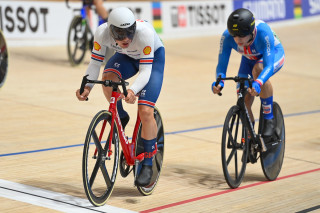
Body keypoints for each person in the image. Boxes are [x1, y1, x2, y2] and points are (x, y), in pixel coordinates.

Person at [75, 7, 165, 187]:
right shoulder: (102, 33)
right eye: (120, 34)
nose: (125, 39)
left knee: (145, 110)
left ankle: (147, 163)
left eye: (129, 33)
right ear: (110, 30)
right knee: (108, 79)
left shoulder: (145, 33)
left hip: (152, 61)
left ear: (134, 28)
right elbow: (94, 63)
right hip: (127, 57)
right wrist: (87, 87)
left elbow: (145, 70)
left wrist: (132, 90)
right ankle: (121, 117)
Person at [211, 8, 285, 137]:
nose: (237, 39)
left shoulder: (263, 32)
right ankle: (250, 136)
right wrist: (219, 81)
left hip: (273, 55)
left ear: (251, 32)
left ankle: (269, 119)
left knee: (258, 70)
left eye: (241, 35)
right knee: (243, 100)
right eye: (234, 35)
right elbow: (222, 66)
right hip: (248, 59)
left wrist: (258, 82)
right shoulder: (227, 37)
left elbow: (268, 66)